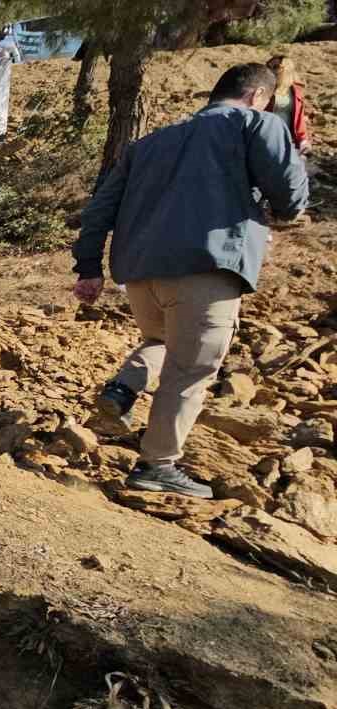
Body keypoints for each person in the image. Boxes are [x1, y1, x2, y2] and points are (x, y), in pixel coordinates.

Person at [72, 63, 309, 499]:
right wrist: (294, 156)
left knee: (162, 339)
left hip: (141, 274)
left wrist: (89, 267)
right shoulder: (258, 124)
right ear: (258, 96)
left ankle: (123, 388)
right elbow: (292, 198)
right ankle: (157, 465)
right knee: (191, 369)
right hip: (206, 268)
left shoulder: (150, 142)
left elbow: (99, 209)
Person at [266, 55, 312, 153]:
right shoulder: (264, 88)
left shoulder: (296, 91)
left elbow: (299, 118)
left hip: (288, 138)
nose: (270, 70)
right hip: (266, 136)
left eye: (275, 67)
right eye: (268, 66)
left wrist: (303, 140)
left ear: (287, 68)